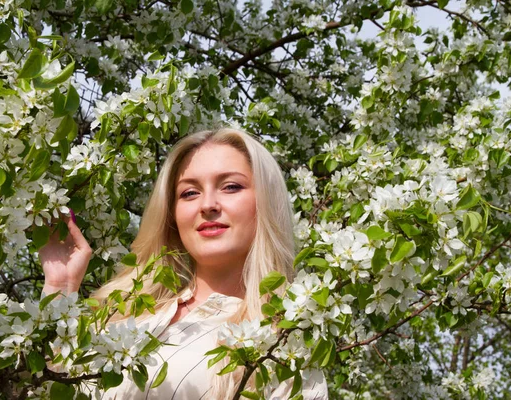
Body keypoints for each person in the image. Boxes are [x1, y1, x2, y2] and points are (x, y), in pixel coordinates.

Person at [40, 128, 328, 399]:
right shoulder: (123, 315)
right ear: (172, 215)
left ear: (265, 202)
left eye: (230, 187)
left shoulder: (285, 342)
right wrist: (61, 287)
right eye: (190, 192)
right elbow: (54, 389)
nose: (208, 205)